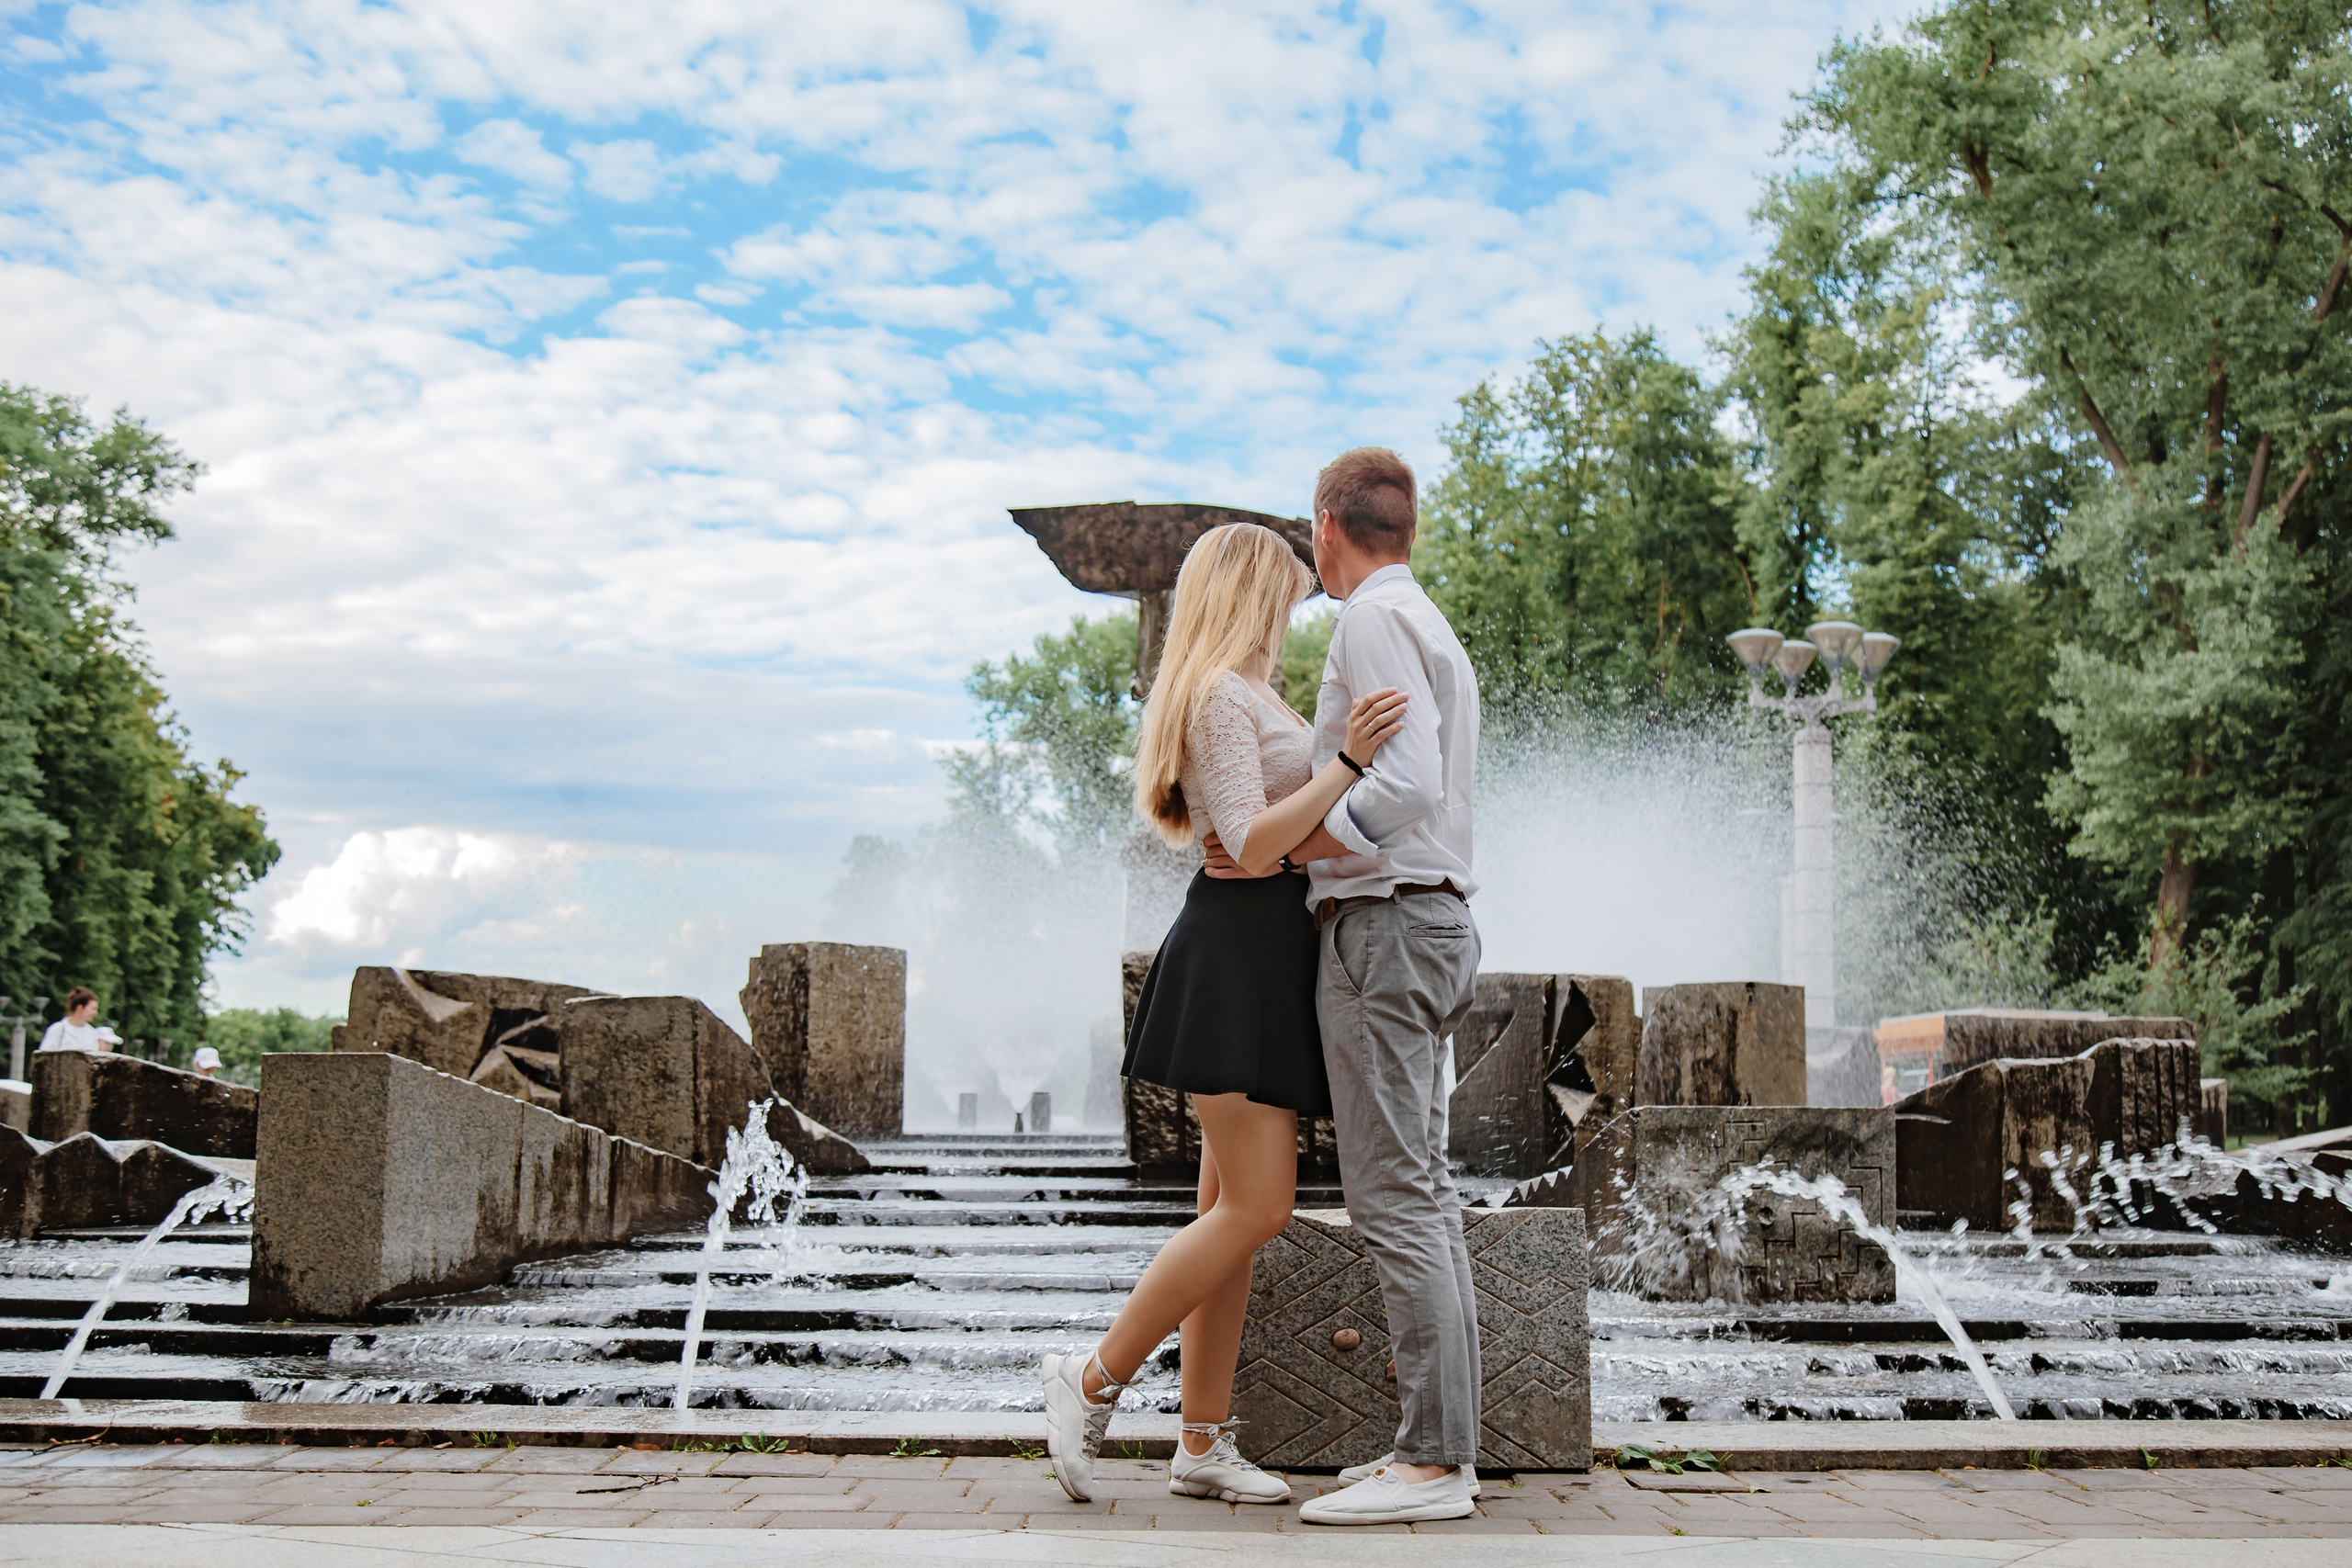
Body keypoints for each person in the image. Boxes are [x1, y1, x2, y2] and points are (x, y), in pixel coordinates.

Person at [1040, 521, 1408, 1506]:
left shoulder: (1253, 692)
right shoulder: (1216, 695)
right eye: (1285, 595)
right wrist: (1348, 765)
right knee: (1259, 1208)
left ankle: (1200, 1444)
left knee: (1228, 1218)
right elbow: (1247, 841)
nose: (1294, 613)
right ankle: (1090, 1380)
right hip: (1234, 955)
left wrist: (1345, 836)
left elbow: (1280, 844)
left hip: (1265, 952)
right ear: (1248, 594)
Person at [1207, 447, 1484, 1527]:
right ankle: (1439, 1451)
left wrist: (1310, 846)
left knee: (1394, 1193)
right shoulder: (1427, 621)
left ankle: (1431, 1466)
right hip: (1430, 922)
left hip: (1385, 924)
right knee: (1423, 1188)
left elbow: (1404, 783)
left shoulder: (1368, 619)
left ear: (1326, 525)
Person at [36, 989, 116, 1055]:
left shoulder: (92, 1033)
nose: (95, 1013)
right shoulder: (58, 1029)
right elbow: (44, 1058)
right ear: (80, 1007)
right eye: (93, 1008)